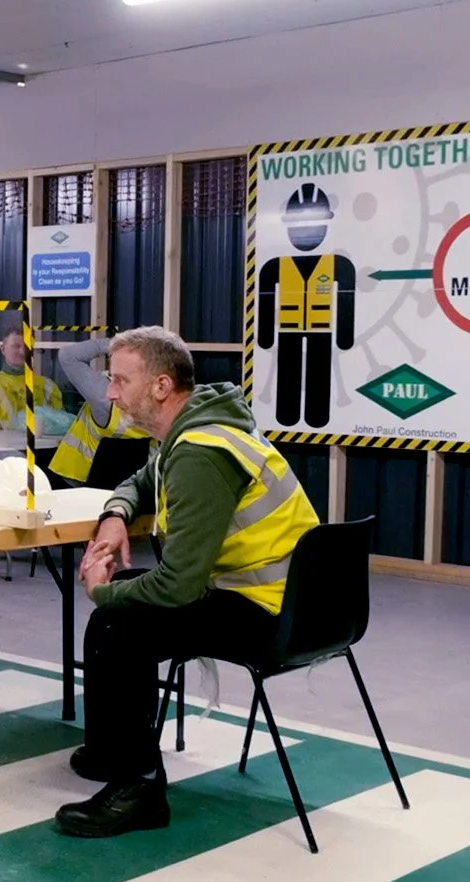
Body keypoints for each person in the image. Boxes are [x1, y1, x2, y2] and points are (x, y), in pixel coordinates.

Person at [56, 326, 319, 838]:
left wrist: (99, 589)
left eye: (119, 380)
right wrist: (116, 513)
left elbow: (177, 586)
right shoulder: (202, 426)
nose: (109, 393)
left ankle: (138, 791)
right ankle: (114, 752)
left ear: (159, 386)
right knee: (115, 619)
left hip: (271, 614)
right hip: (296, 602)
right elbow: (143, 480)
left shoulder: (200, 453)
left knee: (119, 626)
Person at [49, 334, 150, 487]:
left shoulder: (106, 397)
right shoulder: (160, 405)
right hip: (135, 489)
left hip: (77, 477)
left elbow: (68, 356)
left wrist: (116, 344)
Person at [0, 328, 62, 431]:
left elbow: (61, 427)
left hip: (45, 447)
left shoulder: (48, 386)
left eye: (26, 346)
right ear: (2, 349)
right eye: (16, 346)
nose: (22, 352)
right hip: (5, 446)